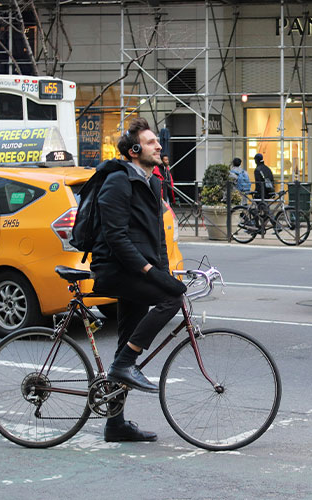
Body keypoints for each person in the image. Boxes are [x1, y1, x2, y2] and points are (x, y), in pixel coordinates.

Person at [90, 117, 187, 443]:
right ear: (133, 151)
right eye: (150, 142)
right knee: (171, 299)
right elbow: (116, 237)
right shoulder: (118, 181)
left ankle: (114, 424)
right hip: (115, 271)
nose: (159, 145)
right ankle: (127, 363)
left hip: (136, 270)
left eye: (156, 141)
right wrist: (151, 274)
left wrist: (164, 271)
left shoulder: (151, 182)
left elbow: (156, 237)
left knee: (124, 343)